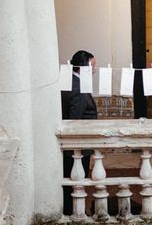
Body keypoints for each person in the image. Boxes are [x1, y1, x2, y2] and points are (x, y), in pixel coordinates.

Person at [61, 50, 98, 216]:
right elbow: (75, 120)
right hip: (79, 145)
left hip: (75, 146)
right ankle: (76, 212)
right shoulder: (80, 88)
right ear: (83, 67)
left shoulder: (70, 82)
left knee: (71, 178)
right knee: (77, 180)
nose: (95, 70)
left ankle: (72, 209)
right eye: (92, 66)